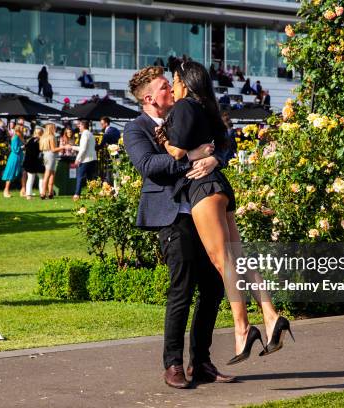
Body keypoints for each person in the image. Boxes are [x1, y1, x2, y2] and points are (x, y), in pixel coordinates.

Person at [157, 60, 293, 365]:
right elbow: (223, 144)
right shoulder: (208, 109)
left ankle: (243, 328)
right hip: (221, 186)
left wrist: (163, 139)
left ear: (186, 83)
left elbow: (178, 153)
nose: (173, 86)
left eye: (175, 81)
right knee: (239, 258)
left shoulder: (182, 107)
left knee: (224, 261)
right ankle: (271, 316)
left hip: (202, 189)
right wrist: (212, 157)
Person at [124, 66, 235, 389]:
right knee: (181, 291)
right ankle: (173, 364)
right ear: (149, 98)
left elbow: (224, 143)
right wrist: (191, 158)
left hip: (206, 210)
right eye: (163, 88)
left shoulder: (190, 113)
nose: (170, 90)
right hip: (174, 217)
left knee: (214, 289)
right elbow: (148, 166)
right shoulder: (136, 129)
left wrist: (215, 160)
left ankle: (201, 362)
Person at [69, 120, 97, 200]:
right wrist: (72, 147)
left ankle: (77, 194)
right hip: (93, 158)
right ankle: (91, 194)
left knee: (80, 177)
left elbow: (83, 149)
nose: (79, 127)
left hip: (86, 159)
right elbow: (84, 148)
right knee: (90, 178)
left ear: (83, 126)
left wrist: (78, 159)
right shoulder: (91, 134)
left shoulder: (84, 134)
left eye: (80, 126)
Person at [38, 123, 63, 199]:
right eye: (54, 127)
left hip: (46, 155)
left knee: (51, 174)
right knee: (48, 174)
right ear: (51, 128)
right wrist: (63, 147)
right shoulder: (52, 137)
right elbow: (53, 149)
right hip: (51, 156)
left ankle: (50, 192)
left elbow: (41, 148)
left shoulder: (43, 137)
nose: (55, 129)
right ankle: (43, 193)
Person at [1, 124, 26, 198]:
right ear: (18, 130)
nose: (23, 129)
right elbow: (15, 149)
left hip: (19, 157)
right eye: (22, 128)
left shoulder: (20, 137)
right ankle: (6, 190)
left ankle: (23, 190)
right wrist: (23, 147)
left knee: (22, 173)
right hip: (14, 158)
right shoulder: (15, 138)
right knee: (10, 173)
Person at [23, 127, 46, 200]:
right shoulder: (40, 140)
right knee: (41, 178)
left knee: (31, 178)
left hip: (31, 161)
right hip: (35, 161)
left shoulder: (30, 140)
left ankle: (29, 195)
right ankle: (41, 194)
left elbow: (25, 148)